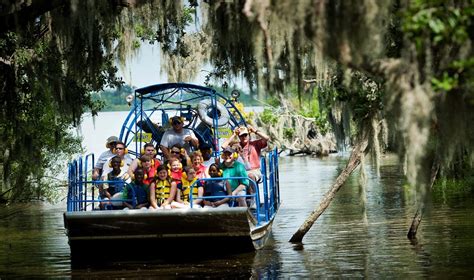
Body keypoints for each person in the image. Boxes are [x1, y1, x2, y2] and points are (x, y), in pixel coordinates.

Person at [222, 125, 269, 191]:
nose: (244, 137)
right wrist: (234, 134)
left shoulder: (255, 144)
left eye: (245, 135)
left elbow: (266, 138)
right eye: (241, 135)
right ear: (239, 137)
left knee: (250, 176)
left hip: (254, 171)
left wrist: (255, 131)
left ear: (248, 135)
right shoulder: (236, 145)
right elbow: (223, 146)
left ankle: (252, 197)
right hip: (239, 170)